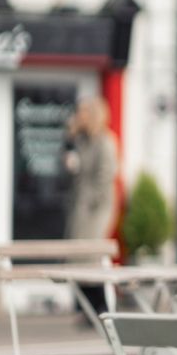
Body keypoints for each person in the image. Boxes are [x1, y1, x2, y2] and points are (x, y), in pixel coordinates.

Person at [63, 96, 119, 316]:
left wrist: (92, 201)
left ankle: (100, 306)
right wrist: (70, 134)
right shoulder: (81, 140)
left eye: (84, 112)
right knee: (78, 255)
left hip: (97, 208)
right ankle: (85, 307)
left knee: (91, 254)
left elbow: (106, 176)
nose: (80, 116)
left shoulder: (105, 141)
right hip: (80, 206)